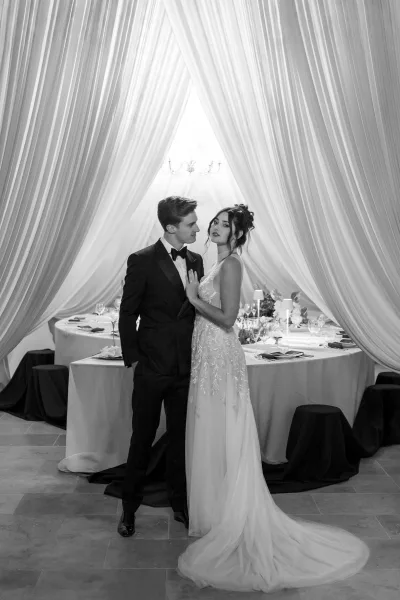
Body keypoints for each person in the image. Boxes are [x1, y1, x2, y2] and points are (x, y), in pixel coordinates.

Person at [178, 204, 369, 593]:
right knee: (209, 425)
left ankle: (228, 512)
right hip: (206, 352)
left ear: (237, 234)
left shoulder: (231, 265)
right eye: (214, 221)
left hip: (220, 352)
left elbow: (228, 317)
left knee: (223, 424)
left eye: (224, 225)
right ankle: (214, 510)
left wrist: (193, 297)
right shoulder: (216, 264)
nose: (215, 227)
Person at [117, 196, 204, 537]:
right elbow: (128, 313)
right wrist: (135, 358)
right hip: (153, 367)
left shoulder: (196, 259)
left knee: (181, 440)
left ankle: (181, 504)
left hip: (186, 368)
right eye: (191, 224)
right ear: (171, 227)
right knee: (141, 438)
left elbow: (194, 309)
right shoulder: (141, 260)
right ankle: (128, 510)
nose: (197, 228)